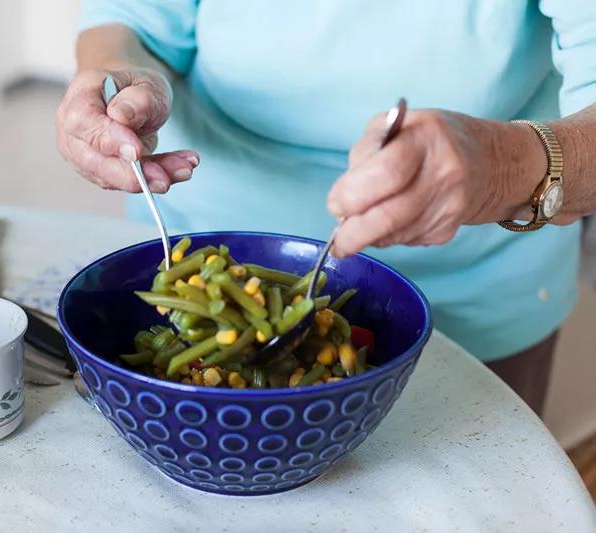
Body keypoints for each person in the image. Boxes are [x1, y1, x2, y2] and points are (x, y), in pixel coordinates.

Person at [56, 1, 596, 415]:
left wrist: (502, 168)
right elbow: (132, 21)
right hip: (191, 257)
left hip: (475, 295)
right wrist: (117, 79)